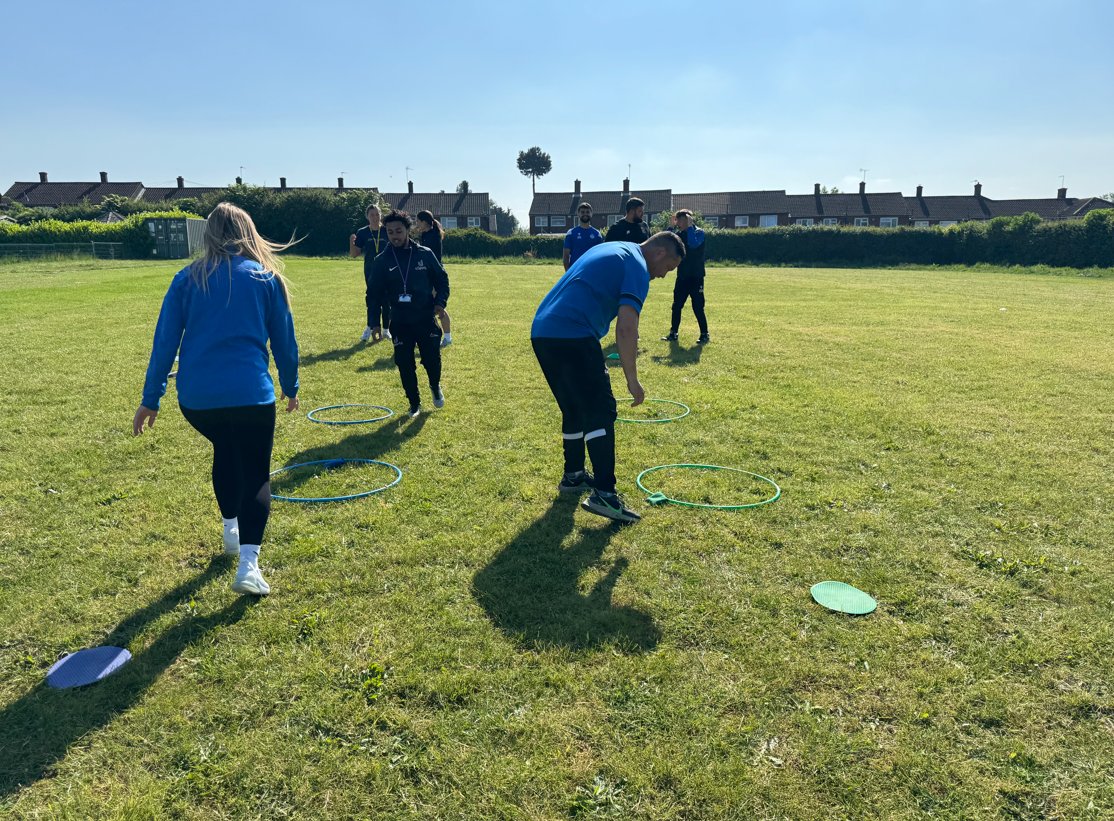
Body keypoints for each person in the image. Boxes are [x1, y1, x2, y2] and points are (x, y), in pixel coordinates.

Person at [133, 202, 299, 596]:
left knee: (226, 449)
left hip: (198, 401)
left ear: (209, 234)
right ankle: (248, 563)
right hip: (251, 396)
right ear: (249, 232)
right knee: (255, 471)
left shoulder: (187, 279)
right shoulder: (265, 278)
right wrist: (290, 387)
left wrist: (151, 397)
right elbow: (285, 342)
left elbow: (164, 344)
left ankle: (230, 530)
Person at [531, 232, 684, 523]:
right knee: (600, 411)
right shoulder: (638, 266)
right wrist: (632, 379)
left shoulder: (616, 248)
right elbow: (627, 328)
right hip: (573, 333)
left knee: (574, 408)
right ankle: (604, 494)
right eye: (669, 269)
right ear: (661, 254)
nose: (664, 276)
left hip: (543, 332)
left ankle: (574, 476)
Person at [366, 209, 450, 417]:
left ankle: (434, 385)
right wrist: (374, 323)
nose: (395, 236)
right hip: (400, 321)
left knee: (432, 360)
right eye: (391, 232)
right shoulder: (382, 261)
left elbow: (442, 280)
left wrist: (440, 302)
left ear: (407, 231)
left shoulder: (424, 254)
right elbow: (373, 294)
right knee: (404, 364)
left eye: (399, 231)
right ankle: (414, 404)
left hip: (425, 318)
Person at [662, 209, 710, 343]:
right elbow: (666, 242)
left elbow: (693, 244)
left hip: (696, 276)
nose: (679, 223)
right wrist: (670, 227)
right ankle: (673, 333)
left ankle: (704, 334)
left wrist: (689, 227)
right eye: (677, 220)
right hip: (682, 276)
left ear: (688, 219)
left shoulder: (699, 232)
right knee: (676, 305)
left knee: (698, 306)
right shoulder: (679, 234)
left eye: (681, 220)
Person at [351, 204, 390, 342]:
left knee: (387, 300)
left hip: (387, 271)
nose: (375, 217)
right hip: (371, 271)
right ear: (367, 216)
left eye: (377, 214)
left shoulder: (386, 230)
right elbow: (354, 254)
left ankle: (386, 329)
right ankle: (370, 327)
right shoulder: (362, 232)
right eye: (372, 215)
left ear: (381, 215)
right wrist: (351, 242)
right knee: (372, 300)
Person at [416, 209, 452, 347]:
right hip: (427, 275)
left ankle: (447, 337)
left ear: (424, 222)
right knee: (428, 306)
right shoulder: (426, 234)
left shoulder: (432, 236)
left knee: (438, 307)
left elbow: (428, 258)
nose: (416, 224)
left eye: (418, 221)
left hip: (434, 276)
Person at [563, 202, 604, 271]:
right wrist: (568, 273)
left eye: (588, 212)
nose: (585, 214)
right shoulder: (571, 233)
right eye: (582, 212)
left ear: (591, 214)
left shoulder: (597, 234)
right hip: (575, 271)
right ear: (578, 214)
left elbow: (600, 256)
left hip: (592, 271)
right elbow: (566, 256)